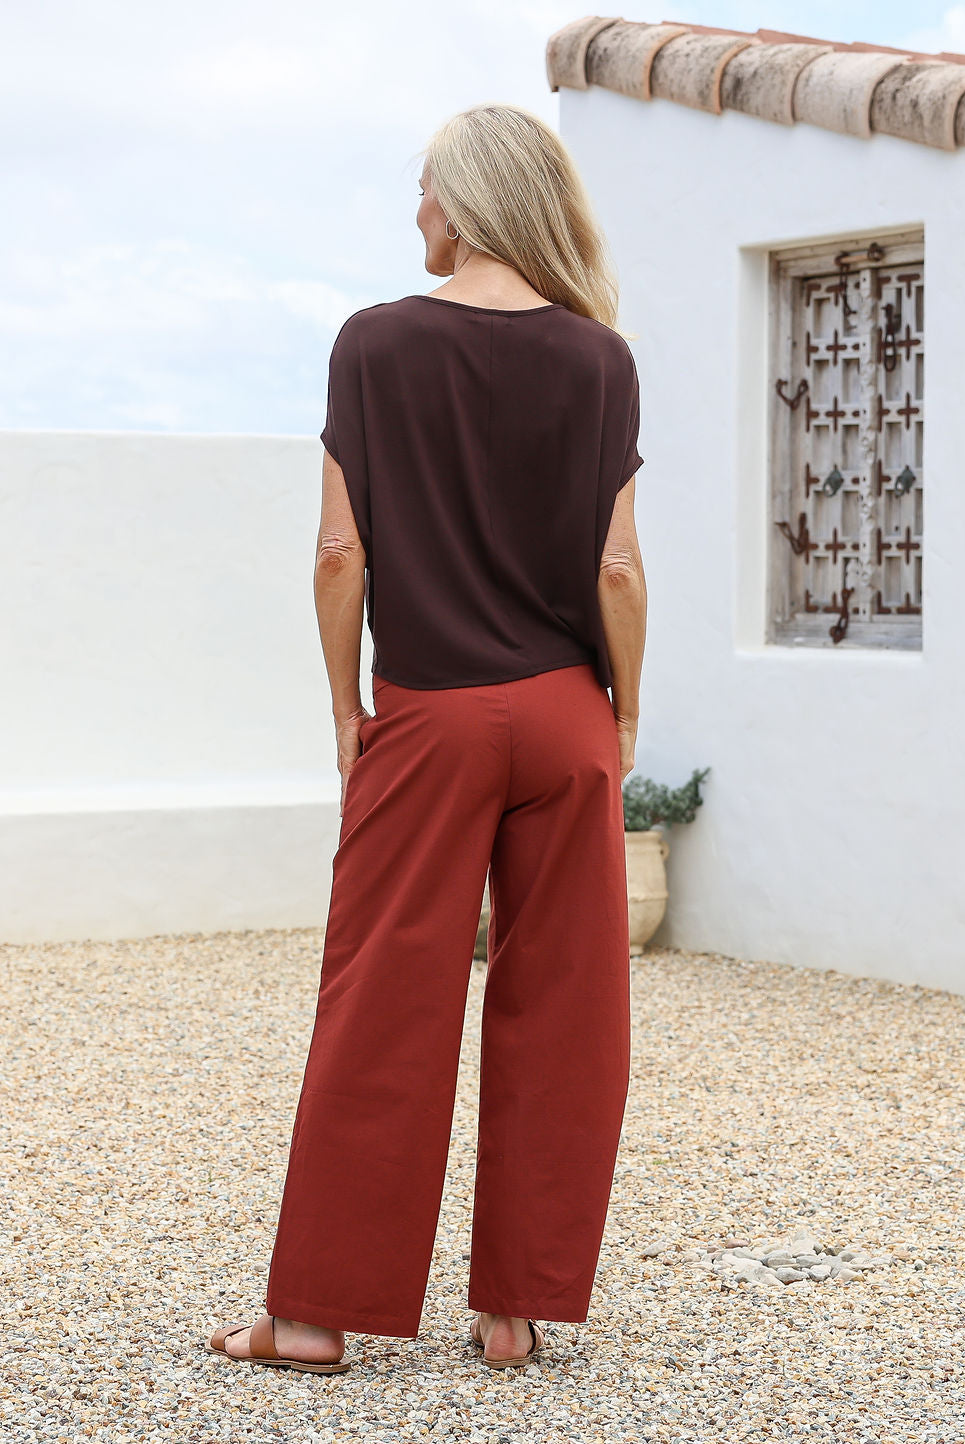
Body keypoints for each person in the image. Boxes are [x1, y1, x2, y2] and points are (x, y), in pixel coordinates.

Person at [207, 101, 647, 1375]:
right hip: (566, 712)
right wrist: (623, 709)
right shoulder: (599, 358)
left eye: (425, 190)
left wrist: (346, 705)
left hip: (432, 714)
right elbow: (617, 568)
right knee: (565, 1006)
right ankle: (514, 1311)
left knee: (382, 1003)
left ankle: (310, 1318)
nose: (415, 212)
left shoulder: (373, 345)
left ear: (469, 200)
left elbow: (340, 551)